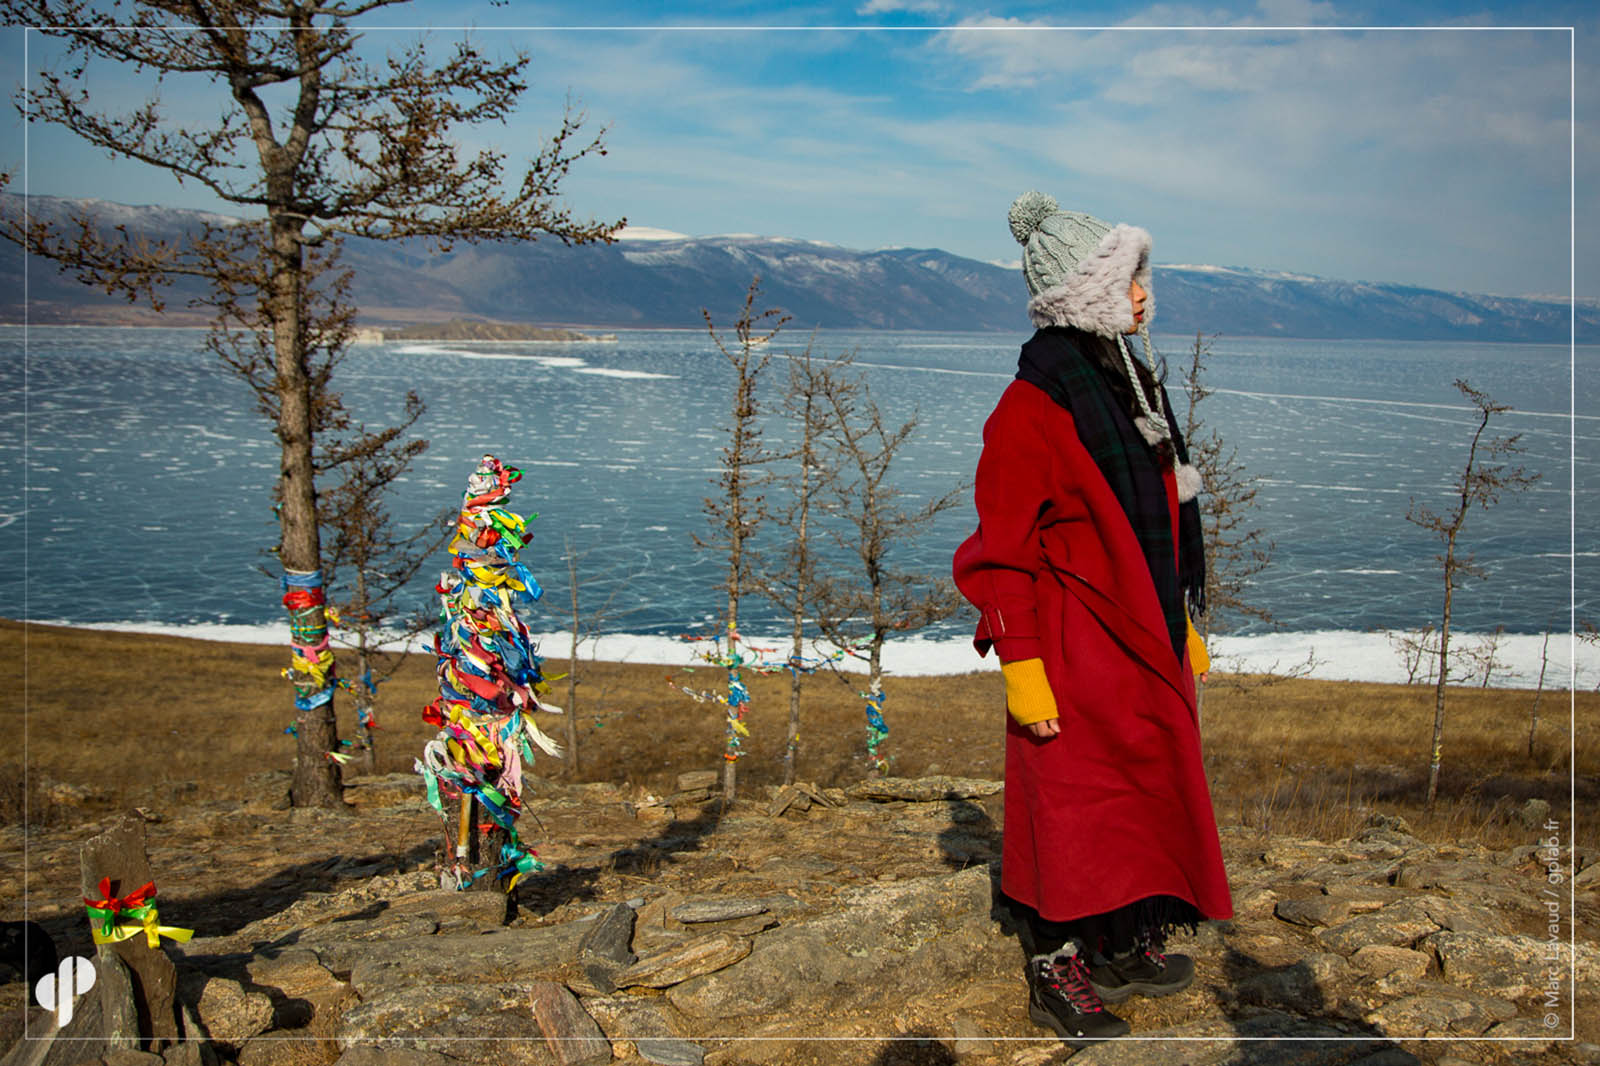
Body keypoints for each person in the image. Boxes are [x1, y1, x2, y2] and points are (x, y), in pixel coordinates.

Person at [952, 191, 1233, 1045]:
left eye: (1143, 275)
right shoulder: (1034, 402)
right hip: (1074, 644)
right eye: (1126, 277)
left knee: (1143, 791)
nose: (1144, 293)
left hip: (1141, 628)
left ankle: (1121, 942)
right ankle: (1056, 965)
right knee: (1073, 807)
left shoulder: (1129, 382)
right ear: (1082, 292)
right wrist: (1022, 663)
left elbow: (1160, 513)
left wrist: (1179, 611)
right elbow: (1000, 550)